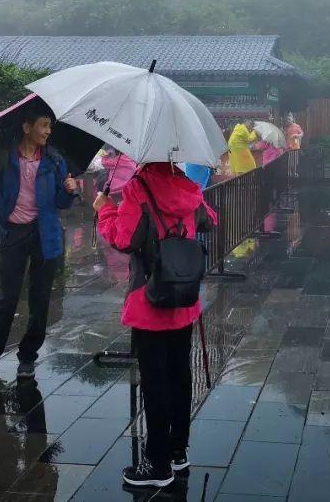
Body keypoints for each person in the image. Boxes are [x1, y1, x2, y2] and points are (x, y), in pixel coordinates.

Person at [94, 162, 218, 488]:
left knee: (155, 382)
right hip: (184, 298)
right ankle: (178, 451)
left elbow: (124, 239)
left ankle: (157, 464)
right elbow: (210, 220)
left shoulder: (139, 188)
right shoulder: (187, 186)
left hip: (150, 299)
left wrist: (105, 211)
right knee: (180, 374)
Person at [0, 106, 81, 381]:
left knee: (40, 298)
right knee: (7, 298)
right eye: (43, 125)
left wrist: (69, 191)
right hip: (12, 234)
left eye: (49, 126)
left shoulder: (55, 161)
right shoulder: (1, 159)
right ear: (27, 127)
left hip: (44, 235)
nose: (48, 131)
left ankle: (27, 357)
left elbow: (59, 202)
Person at [285, 113, 304, 177]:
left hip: (295, 146)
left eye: (289, 119)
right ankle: (289, 172)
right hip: (289, 146)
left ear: (292, 119)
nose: (288, 120)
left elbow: (302, 133)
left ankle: (294, 172)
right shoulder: (288, 127)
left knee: (295, 161)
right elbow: (287, 136)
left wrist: (297, 135)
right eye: (287, 119)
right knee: (289, 160)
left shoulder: (297, 126)